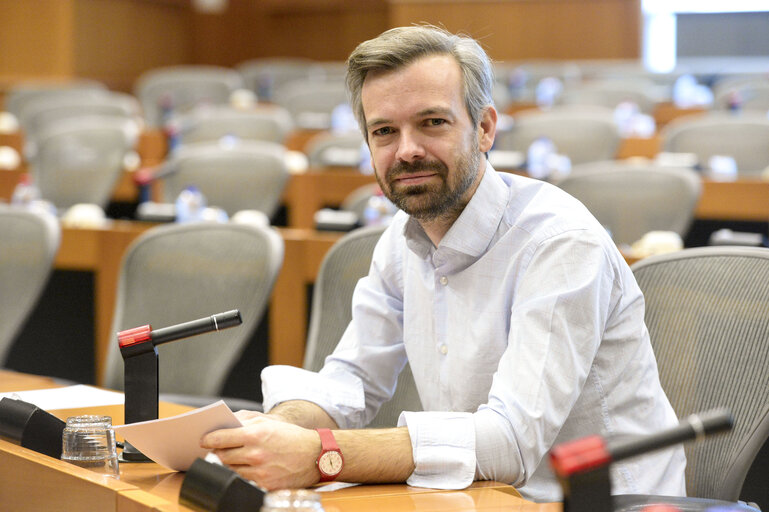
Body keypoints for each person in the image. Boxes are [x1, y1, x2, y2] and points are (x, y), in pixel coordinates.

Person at [201, 25, 686, 501]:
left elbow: (511, 442)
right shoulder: (401, 239)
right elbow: (351, 379)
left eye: (432, 122)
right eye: (384, 131)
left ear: (484, 128)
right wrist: (270, 433)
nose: (407, 150)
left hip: (606, 501)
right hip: (478, 496)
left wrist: (321, 454)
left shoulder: (560, 243)